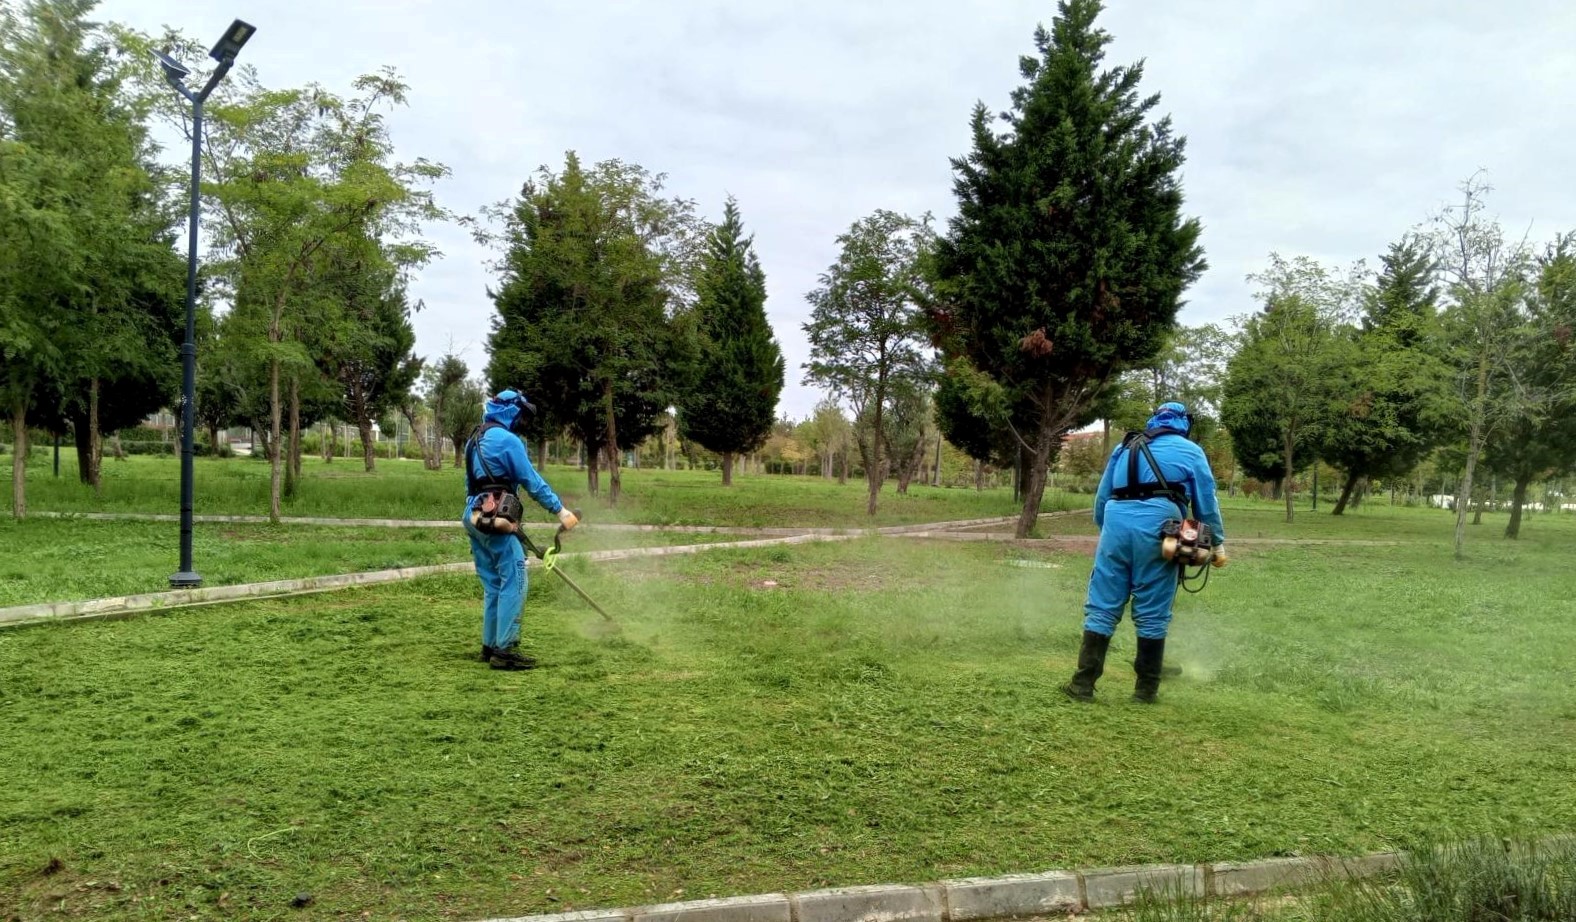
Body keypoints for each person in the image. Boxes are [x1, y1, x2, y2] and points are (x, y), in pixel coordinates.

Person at [1063, 402, 1228, 703]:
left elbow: (1102, 498)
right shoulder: (1191, 451)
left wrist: (1111, 533)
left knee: (1102, 603)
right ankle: (1145, 690)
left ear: (1155, 420)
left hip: (1115, 524)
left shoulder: (1125, 447)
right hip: (1160, 528)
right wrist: (1215, 543)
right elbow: (1206, 503)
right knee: (1153, 608)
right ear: (1184, 423)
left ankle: (1083, 684)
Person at [462, 389, 578, 670]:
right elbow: (531, 481)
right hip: (499, 518)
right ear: (511, 410)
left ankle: (489, 646)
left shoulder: (473, 440)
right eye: (522, 415)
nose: (523, 422)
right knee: (515, 579)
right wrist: (562, 512)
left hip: (473, 514)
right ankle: (506, 651)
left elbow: (470, 486)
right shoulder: (508, 440)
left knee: (493, 585)